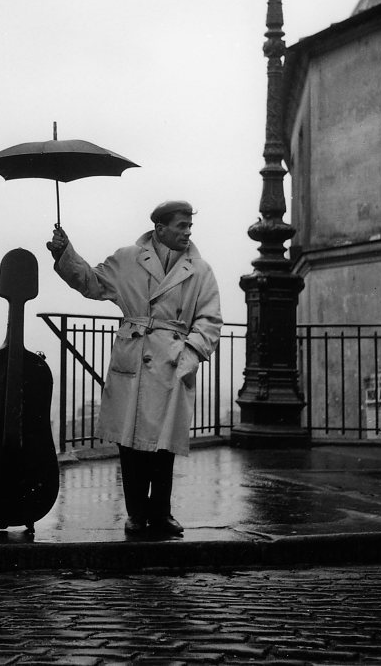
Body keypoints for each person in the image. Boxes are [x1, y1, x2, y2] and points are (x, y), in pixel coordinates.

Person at [47, 201, 221, 537]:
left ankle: (162, 514)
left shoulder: (200, 270)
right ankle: (136, 514)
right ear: (159, 228)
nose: (187, 233)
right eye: (181, 226)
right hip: (135, 356)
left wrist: (189, 352)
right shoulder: (127, 259)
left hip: (172, 360)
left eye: (189, 227)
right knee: (130, 443)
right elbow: (91, 283)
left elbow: (210, 319)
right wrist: (64, 252)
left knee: (164, 444)